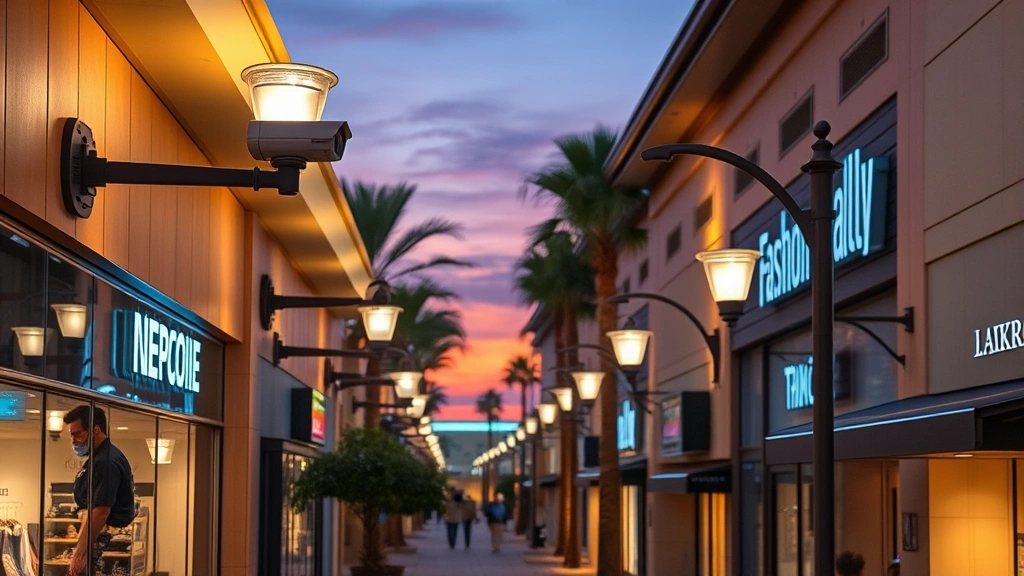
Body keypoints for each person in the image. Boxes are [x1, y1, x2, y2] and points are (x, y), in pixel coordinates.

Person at [64, 406, 136, 576]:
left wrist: (79, 553)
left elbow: (101, 511)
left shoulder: (106, 461)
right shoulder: (98, 458)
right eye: (71, 435)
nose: (74, 440)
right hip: (95, 535)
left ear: (96, 429)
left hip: (105, 541)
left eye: (78, 433)